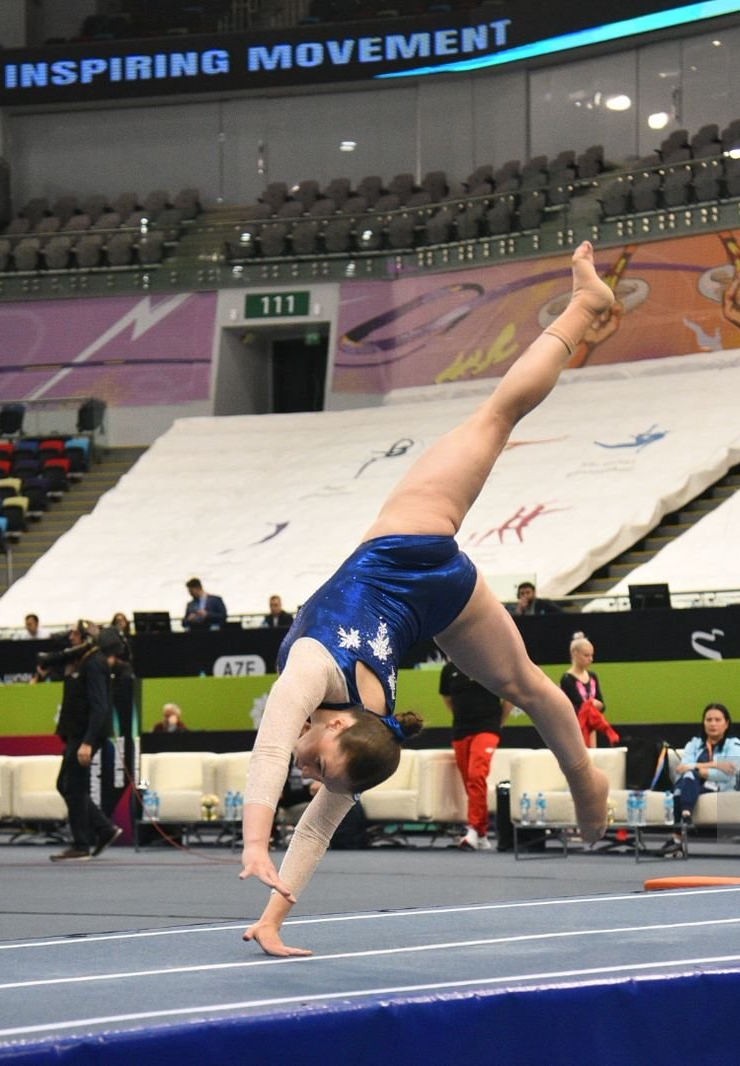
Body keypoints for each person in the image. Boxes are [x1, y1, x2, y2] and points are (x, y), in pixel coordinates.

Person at [240, 242, 617, 956]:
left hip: (427, 586)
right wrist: (264, 877)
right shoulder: (319, 679)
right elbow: (287, 780)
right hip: (414, 550)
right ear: (341, 726)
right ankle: (586, 782)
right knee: (496, 419)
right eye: (319, 767)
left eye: (316, 769)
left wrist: (265, 879)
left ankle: (584, 783)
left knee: (531, 687)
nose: (308, 769)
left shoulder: (357, 721)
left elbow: (299, 795)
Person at [51, 624, 126, 862]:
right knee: (66, 785)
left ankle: (81, 844)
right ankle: (104, 828)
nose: (70, 637)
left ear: (86, 639)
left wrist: (88, 742)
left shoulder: (94, 663)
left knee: (73, 786)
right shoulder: (81, 661)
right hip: (77, 733)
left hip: (86, 736)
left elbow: (100, 705)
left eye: (74, 633)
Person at [439, 655, 506, 850]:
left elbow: (509, 696)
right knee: (470, 780)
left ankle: (474, 829)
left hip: (487, 727)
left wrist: (499, 723)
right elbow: (448, 699)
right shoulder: (448, 670)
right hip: (461, 730)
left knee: (477, 774)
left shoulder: (489, 662)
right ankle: (482, 834)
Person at [660, 702, 740, 831]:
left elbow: (725, 775)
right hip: (691, 782)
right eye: (708, 720)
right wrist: (715, 764)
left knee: (683, 785)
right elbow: (682, 768)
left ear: (726, 724)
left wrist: (696, 769)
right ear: (703, 723)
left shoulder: (735, 745)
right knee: (688, 777)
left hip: (718, 786)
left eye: (717, 720)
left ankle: (678, 836)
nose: (712, 724)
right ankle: (685, 816)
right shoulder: (694, 743)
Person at [561, 632, 618, 747]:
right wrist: (592, 704)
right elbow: (581, 706)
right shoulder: (567, 679)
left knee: (591, 757)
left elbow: (602, 705)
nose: (591, 659)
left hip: (591, 728)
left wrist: (593, 705)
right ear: (575, 654)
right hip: (574, 728)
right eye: (586, 655)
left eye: (592, 655)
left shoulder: (592, 676)